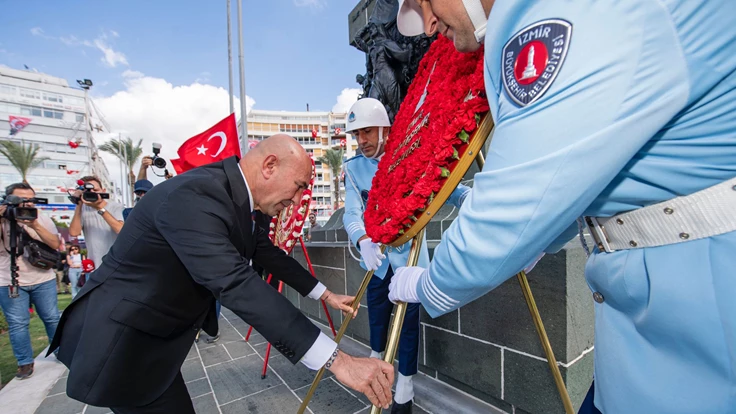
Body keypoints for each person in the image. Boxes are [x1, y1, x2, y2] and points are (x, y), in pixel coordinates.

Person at [388, 1, 736, 413]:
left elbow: (513, 200)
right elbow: (598, 168)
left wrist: (432, 283)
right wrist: (543, 240)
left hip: (700, 342)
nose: (427, 24)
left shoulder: (551, 11)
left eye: (425, 1)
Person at [50, 134, 395, 413]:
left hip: (151, 340)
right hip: (120, 340)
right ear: (270, 165)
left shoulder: (236, 199)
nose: (298, 198)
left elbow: (266, 253)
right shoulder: (195, 195)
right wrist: (339, 361)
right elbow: (235, 283)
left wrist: (325, 293)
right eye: (300, 185)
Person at [343, 97, 471, 413]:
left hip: (408, 262)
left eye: (368, 132)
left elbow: (445, 186)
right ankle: (376, 369)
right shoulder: (354, 168)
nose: (362, 141)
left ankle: (406, 383)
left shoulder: (412, 154)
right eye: (357, 134)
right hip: (376, 262)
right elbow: (351, 213)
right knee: (377, 318)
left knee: (408, 325)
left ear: (385, 129)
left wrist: (469, 197)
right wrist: (362, 241)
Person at [0, 183, 61, 380]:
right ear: (8, 200)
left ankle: (62, 350)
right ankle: (24, 362)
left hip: (42, 278)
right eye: (21, 200)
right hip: (9, 279)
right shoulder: (3, 219)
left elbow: (55, 244)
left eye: (30, 199)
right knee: (18, 323)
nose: (26, 203)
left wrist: (34, 224)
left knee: (52, 317)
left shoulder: (40, 217)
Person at [68, 176, 124, 268]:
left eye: (96, 190)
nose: (92, 193)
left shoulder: (116, 207)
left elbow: (120, 230)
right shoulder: (83, 209)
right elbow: (74, 232)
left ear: (103, 190)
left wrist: (98, 207)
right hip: (94, 266)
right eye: (88, 191)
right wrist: (79, 204)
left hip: (115, 266)